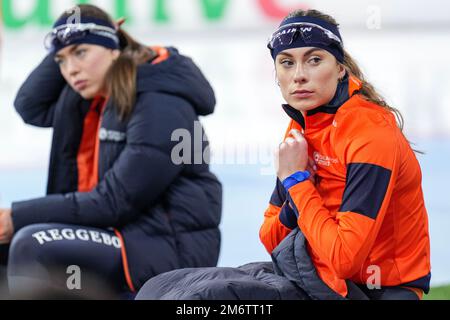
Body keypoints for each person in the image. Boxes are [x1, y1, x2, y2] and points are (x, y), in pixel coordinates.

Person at [136, 9, 431, 300]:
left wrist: (297, 182)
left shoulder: (370, 134)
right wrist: (296, 197)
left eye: (314, 60)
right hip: (311, 273)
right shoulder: (304, 124)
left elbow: (345, 259)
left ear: (341, 68)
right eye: (287, 63)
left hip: (374, 290)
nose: (299, 75)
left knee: (197, 301)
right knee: (158, 288)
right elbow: (271, 236)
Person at [0, 4, 222, 298]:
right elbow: (29, 105)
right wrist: (65, 42)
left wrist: (17, 216)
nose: (71, 70)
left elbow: (114, 202)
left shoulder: (162, 104)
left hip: (166, 250)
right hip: (117, 233)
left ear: (113, 48)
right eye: (61, 61)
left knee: (31, 242)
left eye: (81, 53)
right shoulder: (90, 98)